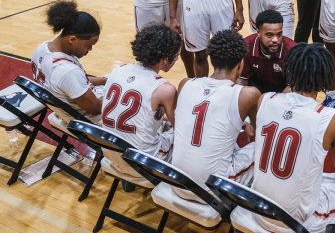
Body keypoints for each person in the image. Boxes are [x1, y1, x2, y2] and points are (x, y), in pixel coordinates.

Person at [251, 43, 335, 232]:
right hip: (298, 222)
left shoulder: (264, 99)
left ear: (289, 71)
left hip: (257, 209)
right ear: (325, 78)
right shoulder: (330, 118)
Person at [172, 29, 260, 199]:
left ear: (211, 60)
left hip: (177, 180)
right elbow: (260, 132)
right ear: (241, 64)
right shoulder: (248, 94)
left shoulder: (185, 83)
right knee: (265, 147)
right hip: (213, 189)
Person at [102, 24, 179, 160]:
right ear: (165, 60)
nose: (177, 59)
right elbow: (180, 127)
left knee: (160, 121)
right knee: (184, 134)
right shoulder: (165, 89)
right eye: (176, 56)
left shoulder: (119, 70)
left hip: (109, 152)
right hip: (141, 161)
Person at [31, 0, 104, 123]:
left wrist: (104, 80)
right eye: (89, 45)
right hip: (90, 122)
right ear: (72, 39)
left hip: (67, 110)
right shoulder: (67, 71)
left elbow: (67, 85)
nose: (90, 50)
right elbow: (96, 108)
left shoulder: (41, 49)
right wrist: (119, 93)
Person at [237, 10, 296, 93]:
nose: (275, 40)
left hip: (282, 92)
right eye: (269, 35)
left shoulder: (292, 51)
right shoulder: (247, 46)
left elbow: (292, 86)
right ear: (258, 33)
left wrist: (272, 103)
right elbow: (242, 81)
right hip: (255, 90)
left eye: (279, 34)